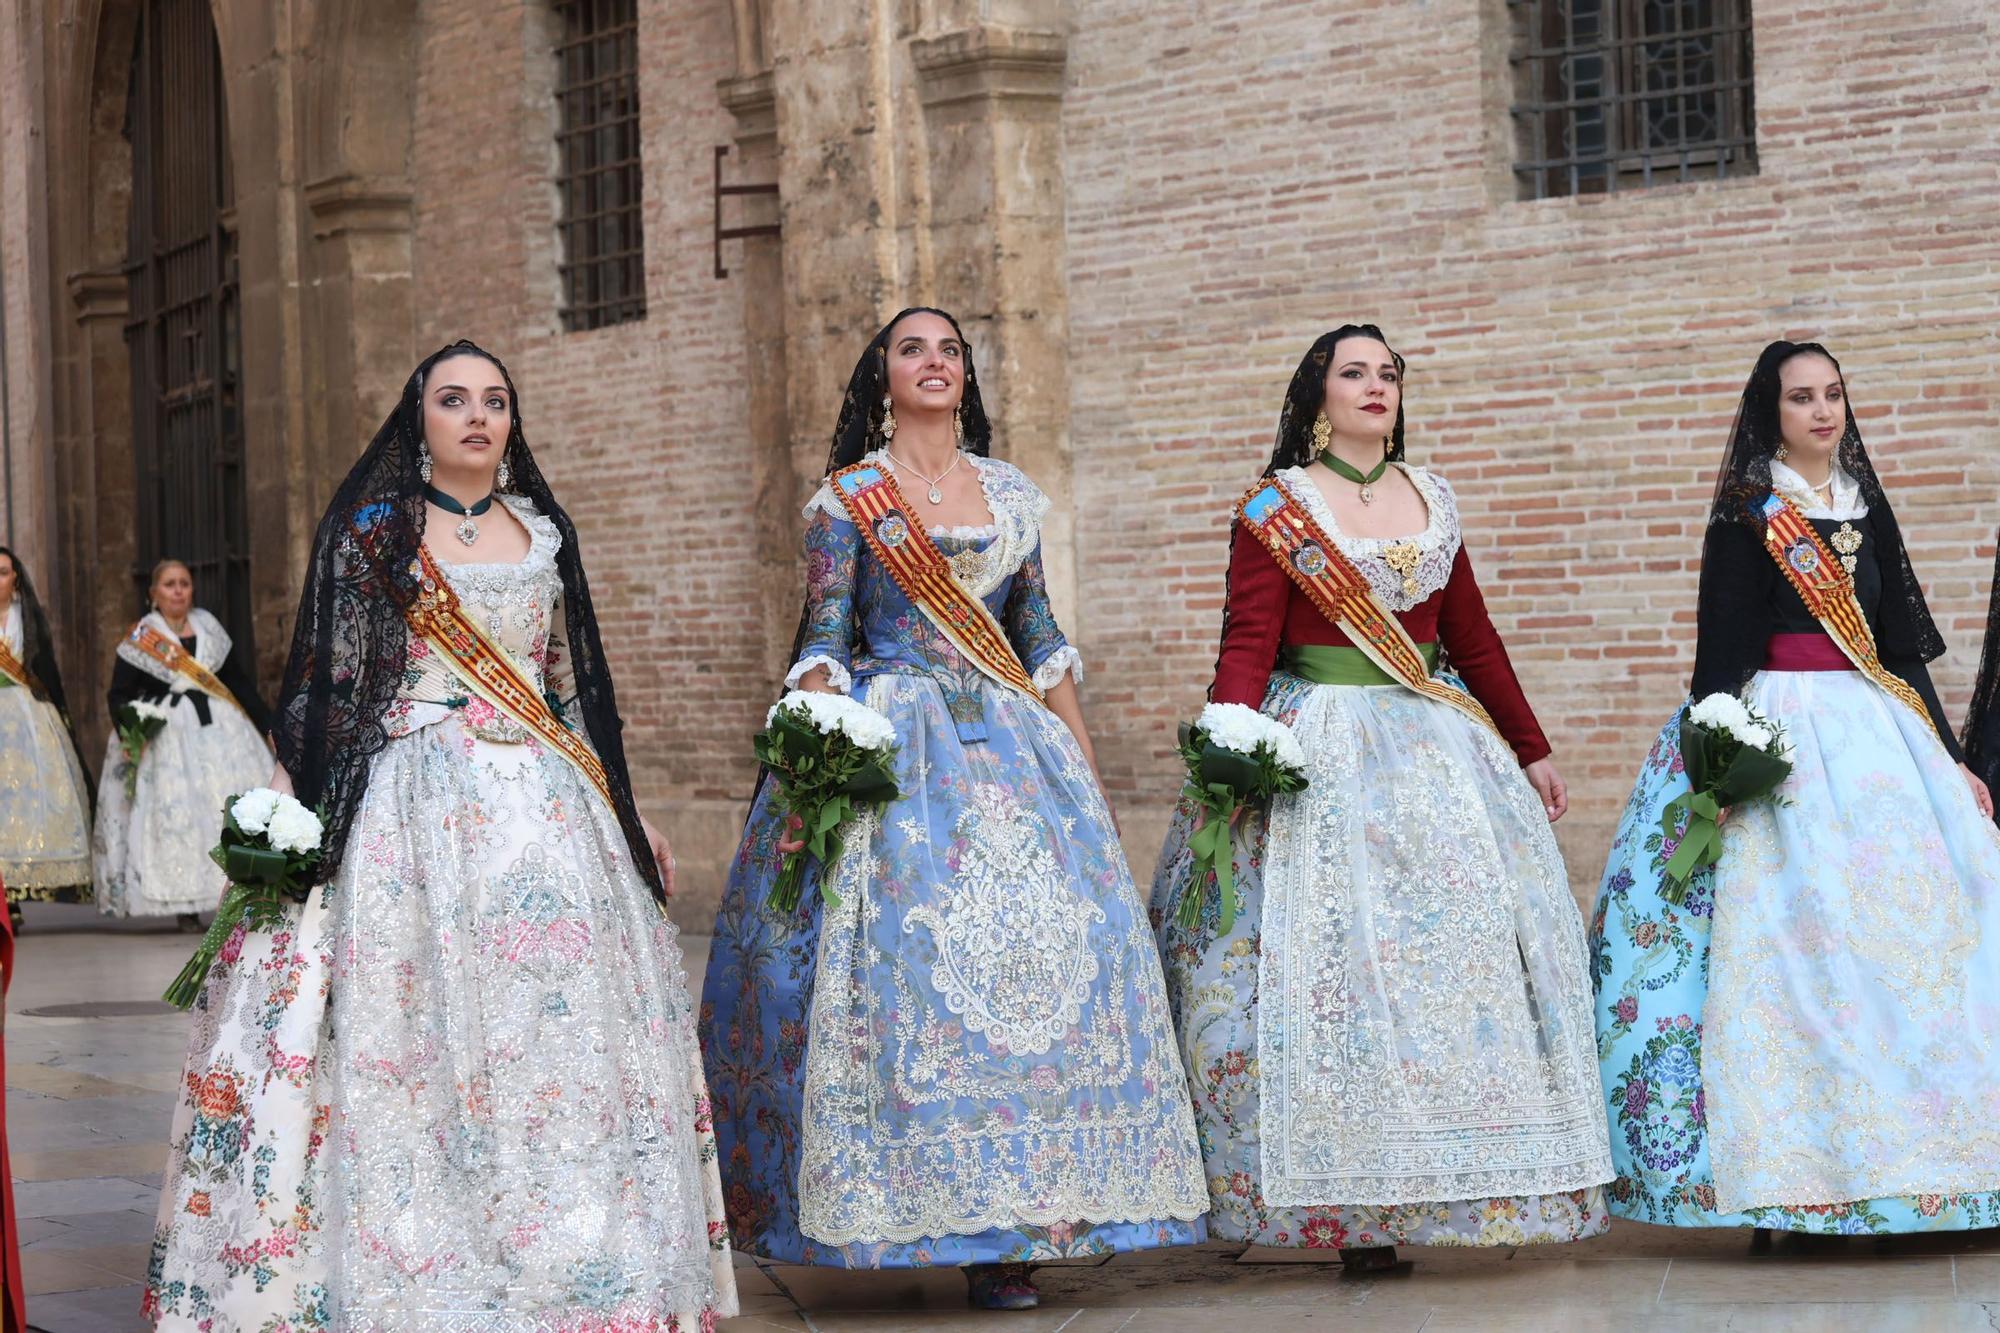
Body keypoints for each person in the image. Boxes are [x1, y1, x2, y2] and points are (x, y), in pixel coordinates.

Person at [143, 341, 736, 1330]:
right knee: (415, 1028)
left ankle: (578, 1251)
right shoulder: (375, 531)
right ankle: (416, 1254)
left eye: (494, 401)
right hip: (415, 806)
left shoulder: (541, 534)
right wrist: (285, 808)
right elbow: (329, 685)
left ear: (511, 422)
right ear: (417, 418)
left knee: (557, 1032)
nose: (476, 416)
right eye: (453, 399)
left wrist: (627, 811)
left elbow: (563, 688)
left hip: (549, 809)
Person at [701, 307, 1206, 1311]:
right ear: (881, 378)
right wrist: (818, 753)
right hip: (895, 741)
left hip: (1017, 749)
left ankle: (1015, 1228)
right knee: (903, 963)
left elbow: (1040, 634)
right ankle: (902, 1211)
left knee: (1071, 949)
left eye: (949, 349)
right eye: (911, 349)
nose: (934, 362)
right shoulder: (848, 501)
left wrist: (1084, 768)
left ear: (966, 376)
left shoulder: (1012, 495)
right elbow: (825, 637)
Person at [1149, 325, 1613, 1267]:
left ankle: (1440, 1185)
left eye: (1387, 373)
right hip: (1318, 741)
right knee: (1333, 965)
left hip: (1437, 745)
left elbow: (1472, 637)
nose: (1374, 386)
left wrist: (1530, 747)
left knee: (1449, 960)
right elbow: (1247, 641)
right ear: (1316, 395)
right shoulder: (1278, 509)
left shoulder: (1431, 497)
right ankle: (1345, 1199)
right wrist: (1232, 750)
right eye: (1352, 372)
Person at [1590, 339, 2000, 1235]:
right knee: (1797, 947)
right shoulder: (1748, 514)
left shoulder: (1865, 504)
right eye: (1801, 398)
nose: (1822, 411)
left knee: (1914, 940)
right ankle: (1793, 1184)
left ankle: (1930, 1172)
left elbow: (1897, 650)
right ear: (1769, 413)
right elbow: (1718, 660)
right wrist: (1715, 773)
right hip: (1784, 736)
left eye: (1834, 395)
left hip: (1881, 735)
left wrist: (1948, 755)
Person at [93, 560, 270, 927]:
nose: (178, 590)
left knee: (226, 806)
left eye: (184, 584)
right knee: (179, 814)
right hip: (168, 739)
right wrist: (131, 729)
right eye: (170, 584)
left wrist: (269, 724)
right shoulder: (143, 637)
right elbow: (119, 694)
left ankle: (240, 890)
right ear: (153, 594)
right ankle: (186, 904)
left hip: (221, 731)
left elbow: (238, 682)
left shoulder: (209, 628)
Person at [0, 545, 94, 924]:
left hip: (28, 719)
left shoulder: (29, 619)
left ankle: (15, 892)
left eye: (3, 572)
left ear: (16, 578)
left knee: (25, 804)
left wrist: (60, 715)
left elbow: (46, 668)